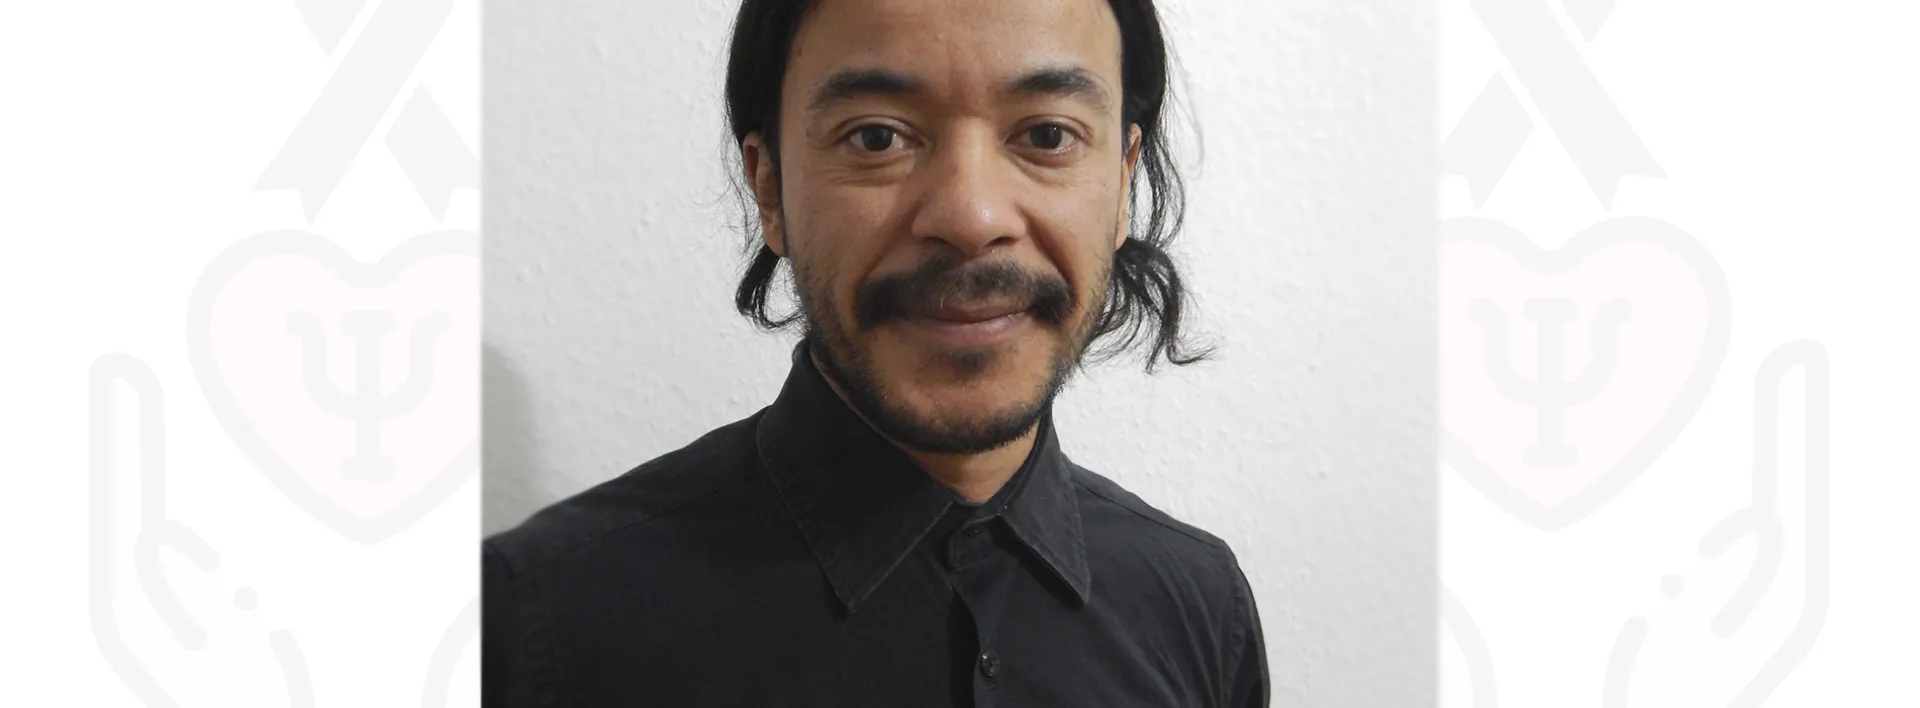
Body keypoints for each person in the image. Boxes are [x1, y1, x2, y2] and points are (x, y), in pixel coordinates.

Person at [483, 0, 1269, 705]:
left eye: (1047, 135)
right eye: (876, 136)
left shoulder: (1202, 608)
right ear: (769, 188)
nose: (971, 217)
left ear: (1124, 182)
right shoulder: (534, 625)